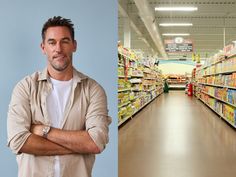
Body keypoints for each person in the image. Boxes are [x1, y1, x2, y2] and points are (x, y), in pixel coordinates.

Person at [7, 16, 111, 177]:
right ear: (43, 47)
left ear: (74, 46)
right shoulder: (25, 87)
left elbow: (96, 142)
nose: (58, 49)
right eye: (52, 42)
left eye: (65, 41)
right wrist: (79, 145)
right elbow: (18, 141)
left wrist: (44, 131)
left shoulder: (93, 90)